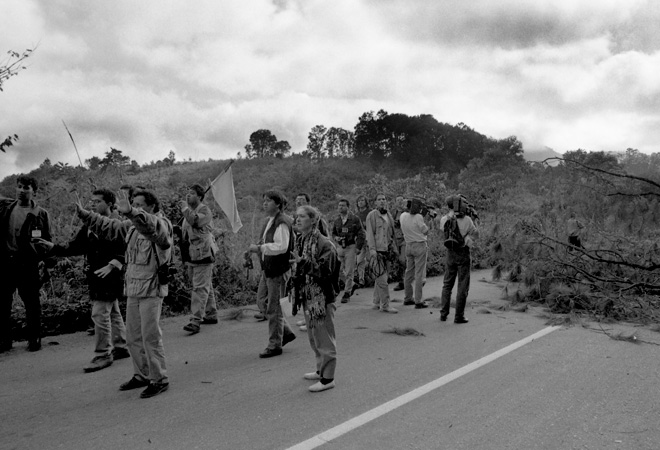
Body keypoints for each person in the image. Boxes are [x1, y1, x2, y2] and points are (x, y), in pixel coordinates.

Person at [76, 189, 172, 398]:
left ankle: (159, 378)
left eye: (140, 205)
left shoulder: (160, 224)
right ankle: (142, 375)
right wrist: (85, 214)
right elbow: (109, 226)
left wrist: (131, 212)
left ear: (153, 207)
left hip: (152, 289)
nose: (135, 208)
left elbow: (151, 229)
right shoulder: (131, 228)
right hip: (134, 288)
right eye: (132, 203)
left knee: (150, 337)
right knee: (133, 338)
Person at [38, 189, 129, 371]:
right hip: (96, 274)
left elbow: (127, 248)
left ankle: (103, 354)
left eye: (97, 201)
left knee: (99, 313)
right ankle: (120, 346)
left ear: (110, 204)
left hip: (111, 275)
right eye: (92, 201)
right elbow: (76, 246)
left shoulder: (120, 223)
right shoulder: (90, 225)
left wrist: (112, 265)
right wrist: (54, 247)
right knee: (112, 311)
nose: (92, 204)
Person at [0, 175, 52, 352]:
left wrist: (47, 263)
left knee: (31, 303)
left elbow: (47, 239)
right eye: (20, 186)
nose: (22, 190)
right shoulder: (6, 208)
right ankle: (5, 341)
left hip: (28, 263)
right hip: (6, 262)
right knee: (2, 303)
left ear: (34, 191)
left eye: (26, 187)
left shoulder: (41, 214)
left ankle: (34, 338)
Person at [291, 205, 339, 392]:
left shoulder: (324, 244)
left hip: (321, 296)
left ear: (313, 220)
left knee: (323, 337)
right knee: (313, 336)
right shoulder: (302, 240)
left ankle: (328, 379)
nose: (298, 219)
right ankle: (320, 369)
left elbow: (326, 271)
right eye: (297, 216)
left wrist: (303, 263)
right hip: (308, 294)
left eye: (303, 216)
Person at [248, 189, 296, 358]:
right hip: (270, 269)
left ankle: (275, 344)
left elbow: (281, 246)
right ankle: (286, 333)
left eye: (268, 201)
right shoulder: (271, 221)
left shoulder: (281, 222)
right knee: (270, 304)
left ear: (278, 204)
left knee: (274, 307)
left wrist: (261, 248)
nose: (265, 203)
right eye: (264, 200)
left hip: (277, 269)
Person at [179, 184, 219, 335]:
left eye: (192, 193)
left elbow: (195, 222)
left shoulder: (204, 211)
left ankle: (195, 320)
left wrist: (184, 209)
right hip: (192, 255)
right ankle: (211, 313)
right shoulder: (190, 212)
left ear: (200, 197)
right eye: (188, 193)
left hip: (203, 253)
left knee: (199, 287)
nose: (188, 196)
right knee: (204, 284)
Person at [439, 195, 478, 324]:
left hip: (450, 253)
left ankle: (443, 314)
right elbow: (475, 234)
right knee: (462, 285)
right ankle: (459, 316)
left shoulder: (444, 219)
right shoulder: (467, 220)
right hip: (463, 253)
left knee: (447, 284)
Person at [365, 194, 398, 313]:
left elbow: (392, 234)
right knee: (382, 279)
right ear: (375, 202)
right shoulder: (372, 216)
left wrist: (394, 249)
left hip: (387, 250)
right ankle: (385, 305)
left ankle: (376, 301)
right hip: (377, 250)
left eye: (384, 199)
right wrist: (372, 250)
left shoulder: (389, 215)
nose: (382, 201)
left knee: (381, 278)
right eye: (379, 199)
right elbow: (370, 234)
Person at [331, 198, 364, 303]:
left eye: (343, 205)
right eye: (339, 205)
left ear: (348, 207)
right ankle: (352, 285)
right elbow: (333, 233)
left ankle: (347, 293)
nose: (340, 207)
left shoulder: (354, 219)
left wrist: (359, 247)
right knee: (337, 269)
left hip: (351, 246)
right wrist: (336, 238)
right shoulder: (337, 220)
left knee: (349, 271)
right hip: (340, 247)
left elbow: (361, 233)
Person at [400, 199, 430, 309]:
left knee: (409, 272)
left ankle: (408, 297)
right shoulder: (418, 217)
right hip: (419, 245)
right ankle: (418, 300)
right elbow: (425, 231)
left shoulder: (403, 216)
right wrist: (426, 219)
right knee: (419, 273)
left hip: (408, 245)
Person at [391, 196, 408, 291]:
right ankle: (401, 281)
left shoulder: (406, 212)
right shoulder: (393, 213)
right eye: (398, 200)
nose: (400, 202)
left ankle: (406, 279)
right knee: (397, 261)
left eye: (401, 200)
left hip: (405, 237)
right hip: (395, 238)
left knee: (403, 259)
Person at [354, 195, 370, 288]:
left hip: (370, 238)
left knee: (371, 258)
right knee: (359, 260)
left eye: (362, 200)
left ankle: (376, 277)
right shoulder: (356, 215)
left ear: (366, 202)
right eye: (359, 200)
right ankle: (361, 280)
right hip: (359, 239)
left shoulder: (370, 212)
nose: (360, 202)